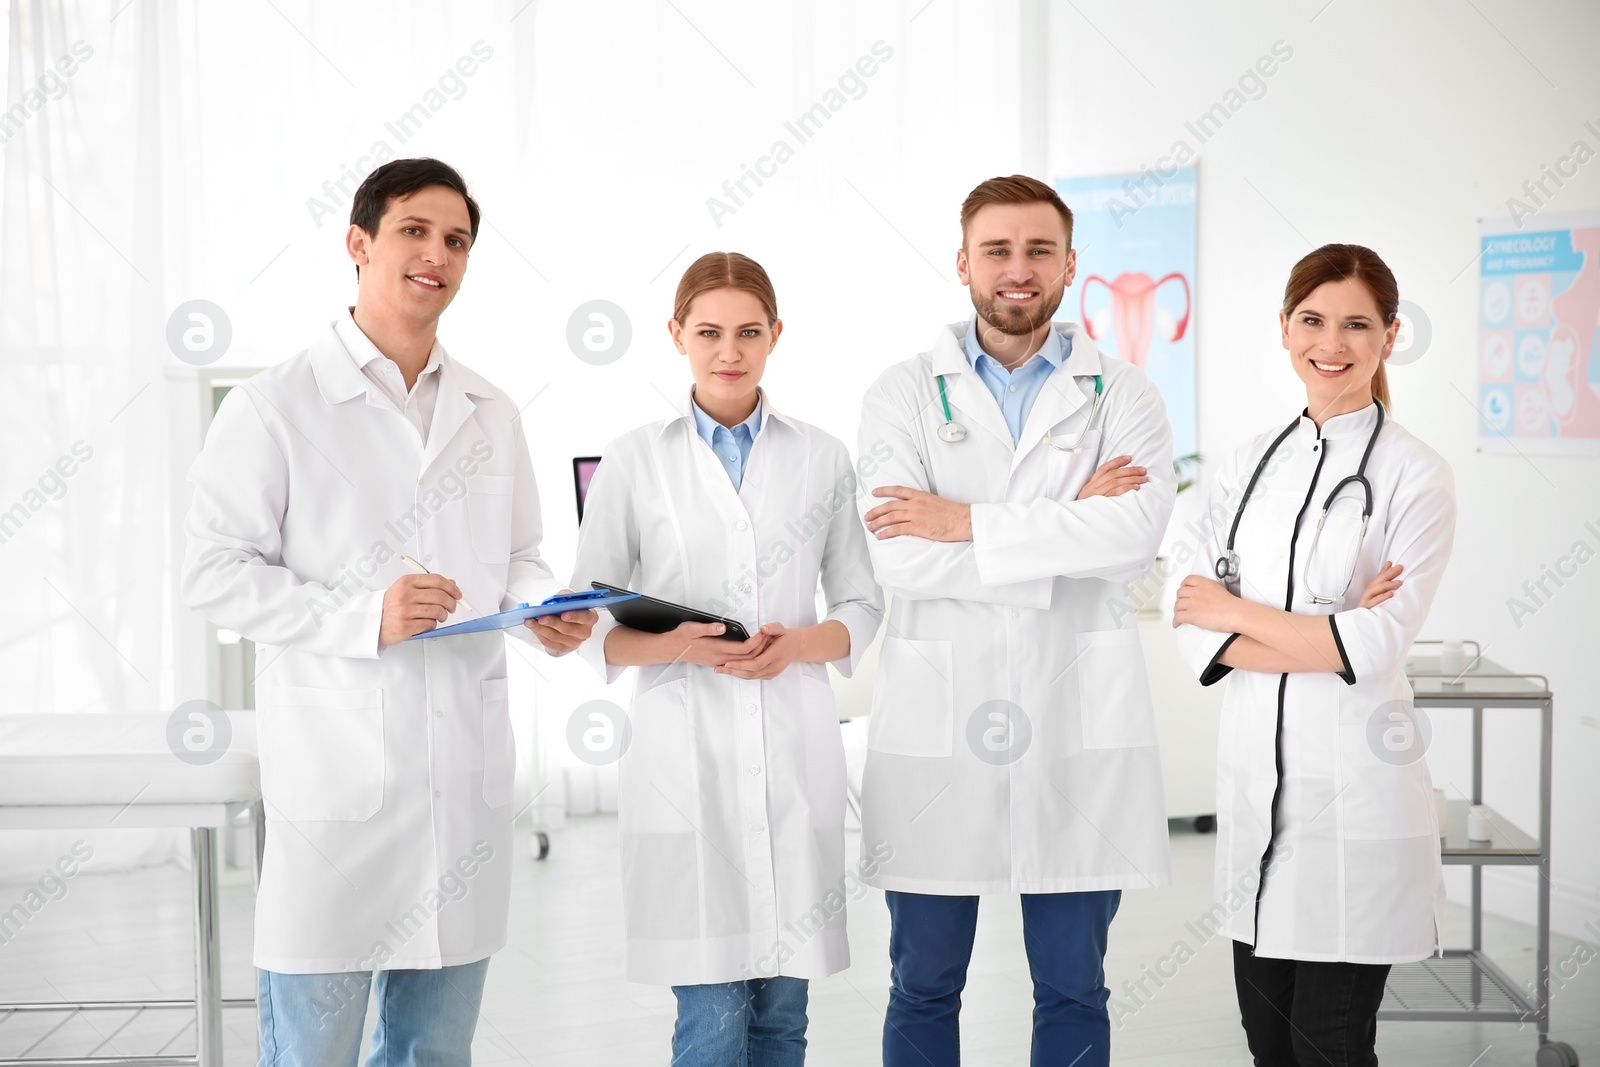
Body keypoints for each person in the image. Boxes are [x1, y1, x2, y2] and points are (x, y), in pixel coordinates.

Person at [182, 158, 597, 1066]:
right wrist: (363, 616)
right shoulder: (274, 404)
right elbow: (212, 573)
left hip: (463, 781)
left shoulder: (492, 409)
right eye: (415, 230)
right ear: (359, 243)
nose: (437, 254)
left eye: (456, 240)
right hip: (337, 783)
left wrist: (541, 609)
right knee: (312, 1053)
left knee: (434, 1056)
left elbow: (521, 556)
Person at [854, 174, 1175, 1067]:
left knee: (1075, 985)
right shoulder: (902, 393)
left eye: (1039, 250)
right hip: (939, 727)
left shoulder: (1125, 394)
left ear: (1071, 265)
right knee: (923, 982)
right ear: (963, 263)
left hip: (1076, 725)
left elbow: (1134, 539)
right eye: (997, 249)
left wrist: (963, 520)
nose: (1018, 269)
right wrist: (1068, 521)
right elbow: (897, 555)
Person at [570, 251, 884, 1066]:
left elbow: (860, 605)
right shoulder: (635, 457)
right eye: (708, 332)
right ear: (677, 334)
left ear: (776, 334)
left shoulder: (821, 455)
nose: (729, 351)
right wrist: (672, 642)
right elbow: (590, 621)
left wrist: (795, 647)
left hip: (792, 741)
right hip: (685, 751)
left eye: (749, 332)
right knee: (710, 1020)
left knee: (784, 1015)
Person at [1172, 244, 1457, 1067]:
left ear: (1390, 335)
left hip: (1358, 805)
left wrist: (1240, 615)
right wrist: (1317, 635)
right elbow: (1191, 621)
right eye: (1313, 320)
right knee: (1268, 1043)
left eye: (1357, 323)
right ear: (1285, 329)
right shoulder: (1246, 464)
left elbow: (1373, 644)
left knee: (1326, 1044)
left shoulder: (1416, 475)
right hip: (1256, 802)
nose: (1331, 342)